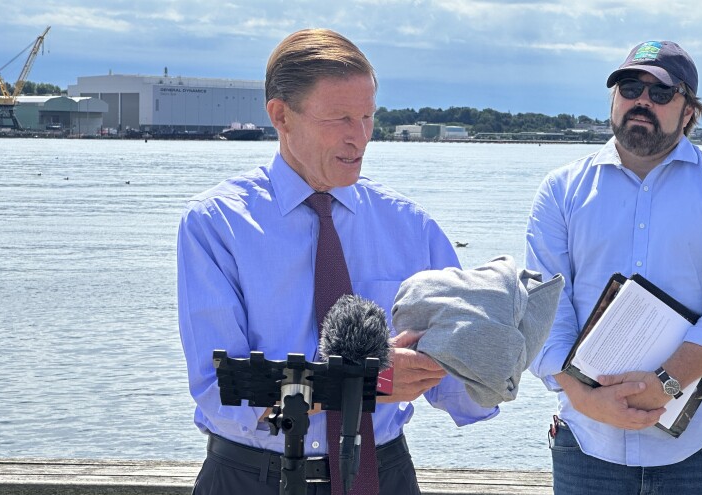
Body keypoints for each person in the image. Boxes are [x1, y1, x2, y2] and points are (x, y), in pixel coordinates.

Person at [177, 28, 497, 495]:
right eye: (340, 118)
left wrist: (502, 348)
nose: (360, 137)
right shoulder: (216, 224)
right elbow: (221, 388)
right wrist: (368, 382)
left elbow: (462, 388)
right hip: (252, 478)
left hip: (385, 476)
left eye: (368, 116)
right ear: (280, 115)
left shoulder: (411, 226)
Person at [526, 40, 702, 494]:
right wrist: (583, 398)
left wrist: (664, 384)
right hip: (586, 443)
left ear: (689, 111)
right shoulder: (560, 191)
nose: (642, 100)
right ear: (614, 98)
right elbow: (543, 309)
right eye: (630, 87)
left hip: (696, 451)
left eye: (661, 93)